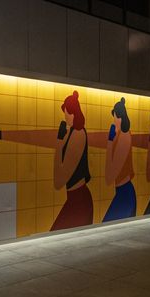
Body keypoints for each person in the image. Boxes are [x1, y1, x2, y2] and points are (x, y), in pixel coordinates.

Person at [51, 91, 93, 230]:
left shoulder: (78, 135)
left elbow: (59, 181)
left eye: (67, 112)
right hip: (74, 198)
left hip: (80, 200)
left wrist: (58, 142)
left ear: (73, 113)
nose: (65, 116)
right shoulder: (71, 132)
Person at [103, 97, 136, 221]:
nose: (114, 121)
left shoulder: (124, 138)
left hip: (125, 194)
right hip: (122, 192)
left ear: (120, 118)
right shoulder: (121, 136)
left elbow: (109, 176)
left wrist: (110, 142)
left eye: (115, 117)